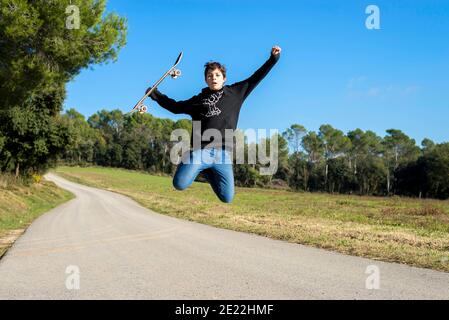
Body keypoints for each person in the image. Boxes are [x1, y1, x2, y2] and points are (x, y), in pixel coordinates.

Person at [147, 46, 281, 203]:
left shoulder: (236, 93)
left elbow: (255, 78)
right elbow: (176, 107)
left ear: (224, 78)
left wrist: (273, 59)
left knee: (227, 198)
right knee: (179, 184)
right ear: (206, 80)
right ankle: (197, 164)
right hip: (200, 150)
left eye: (217, 75)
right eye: (210, 76)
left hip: (223, 155)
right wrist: (155, 94)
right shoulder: (198, 100)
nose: (213, 78)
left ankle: (207, 171)